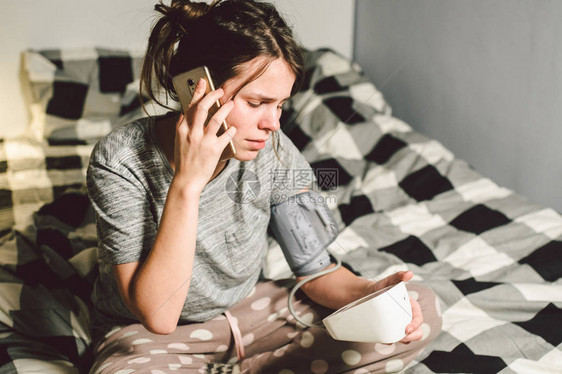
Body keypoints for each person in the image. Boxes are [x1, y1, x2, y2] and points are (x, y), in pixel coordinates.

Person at [86, 0, 442, 373]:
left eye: (280, 106)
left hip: (254, 312)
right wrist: (188, 183)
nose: (272, 123)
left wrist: (372, 294)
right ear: (197, 90)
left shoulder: (274, 150)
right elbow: (159, 316)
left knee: (419, 305)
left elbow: (316, 271)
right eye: (257, 102)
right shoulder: (120, 160)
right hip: (152, 336)